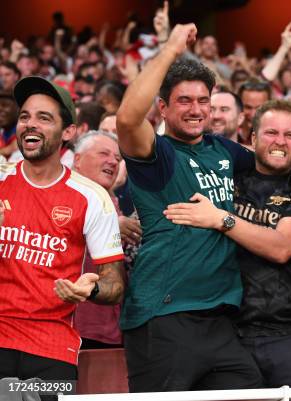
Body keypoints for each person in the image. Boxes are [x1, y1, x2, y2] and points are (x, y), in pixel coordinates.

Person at [116, 23, 262, 392]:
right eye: (184, 101)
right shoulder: (157, 154)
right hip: (164, 314)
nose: (196, 110)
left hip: (221, 318)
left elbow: (272, 161)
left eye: (203, 102)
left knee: (249, 388)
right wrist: (170, 50)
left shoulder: (220, 149)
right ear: (162, 107)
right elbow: (128, 119)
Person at [164, 99, 291, 389]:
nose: (280, 141)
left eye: (290, 135)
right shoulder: (225, 176)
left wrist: (222, 219)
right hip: (225, 334)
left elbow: (282, 248)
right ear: (251, 139)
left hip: (288, 333)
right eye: (271, 133)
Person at [0, 77, 124, 385]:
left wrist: (90, 289)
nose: (30, 124)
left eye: (44, 118)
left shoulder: (92, 197)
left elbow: (114, 283)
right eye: (25, 116)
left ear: (68, 131)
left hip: (52, 349)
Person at [71, 131, 126, 349]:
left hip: (112, 329)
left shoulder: (116, 204)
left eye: (118, 158)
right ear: (77, 159)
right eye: (104, 153)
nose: (112, 161)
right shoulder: (62, 194)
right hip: (74, 325)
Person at [239, 80, 271, 145]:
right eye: (248, 107)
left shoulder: (277, 138)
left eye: (259, 108)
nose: (253, 114)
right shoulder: (228, 134)